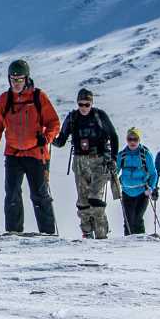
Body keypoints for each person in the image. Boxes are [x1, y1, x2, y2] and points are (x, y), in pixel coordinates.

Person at [0, 59, 60, 235]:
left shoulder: (38, 97)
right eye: (13, 79)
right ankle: (13, 233)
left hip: (36, 154)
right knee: (11, 195)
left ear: (27, 79)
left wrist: (47, 138)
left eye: (19, 79)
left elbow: (54, 123)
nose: (16, 83)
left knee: (40, 196)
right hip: (13, 154)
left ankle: (48, 234)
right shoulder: (5, 99)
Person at [53, 88, 120, 239]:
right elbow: (61, 140)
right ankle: (87, 233)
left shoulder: (99, 116)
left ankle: (102, 235)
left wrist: (113, 158)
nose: (83, 107)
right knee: (83, 202)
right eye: (81, 104)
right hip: (80, 162)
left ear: (91, 103)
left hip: (100, 161)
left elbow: (114, 136)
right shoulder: (72, 118)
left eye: (86, 104)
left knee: (95, 200)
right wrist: (48, 139)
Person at [116, 127, 157, 235]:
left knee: (138, 219)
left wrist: (151, 188)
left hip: (142, 192)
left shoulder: (146, 155)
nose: (132, 142)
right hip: (126, 192)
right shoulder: (122, 155)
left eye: (135, 139)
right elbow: (115, 171)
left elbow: (153, 173)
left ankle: (140, 244)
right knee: (128, 220)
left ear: (139, 140)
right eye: (130, 139)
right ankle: (127, 245)